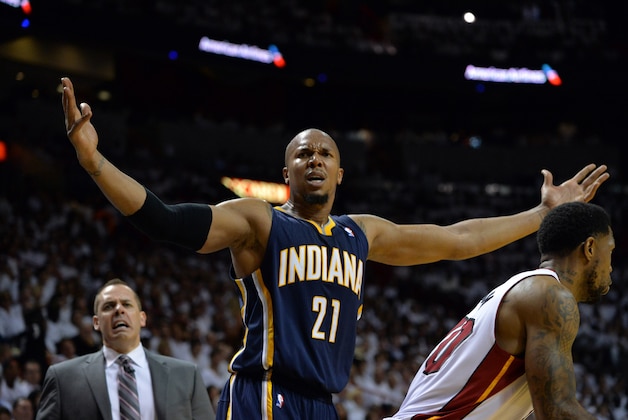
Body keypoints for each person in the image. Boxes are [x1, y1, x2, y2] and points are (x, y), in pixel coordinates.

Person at [59, 76, 609, 419]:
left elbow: (457, 240)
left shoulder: (361, 233)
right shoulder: (259, 221)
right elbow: (166, 221)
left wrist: (541, 215)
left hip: (323, 404)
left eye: (324, 153)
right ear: (287, 171)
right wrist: (94, 162)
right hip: (264, 394)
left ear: (341, 172)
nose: (315, 159)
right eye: (303, 154)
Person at [386, 201, 614, 420]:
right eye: (610, 251)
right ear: (590, 248)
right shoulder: (549, 296)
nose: (611, 267)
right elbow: (557, 412)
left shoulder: (522, 289)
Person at [36, 279, 214, 420]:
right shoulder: (63, 378)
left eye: (127, 305)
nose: (118, 310)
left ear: (142, 318)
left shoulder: (186, 375)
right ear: (96, 323)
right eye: (108, 306)